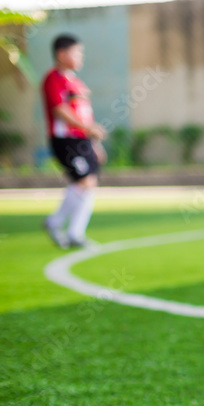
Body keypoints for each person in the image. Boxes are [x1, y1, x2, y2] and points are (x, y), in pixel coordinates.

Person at [42, 34, 105, 249]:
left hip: (82, 140)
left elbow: (84, 113)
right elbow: (60, 110)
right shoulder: (54, 79)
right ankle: (62, 226)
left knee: (87, 183)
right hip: (66, 140)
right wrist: (88, 129)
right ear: (61, 54)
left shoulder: (76, 82)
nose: (81, 57)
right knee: (85, 181)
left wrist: (94, 143)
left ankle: (72, 231)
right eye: (76, 52)